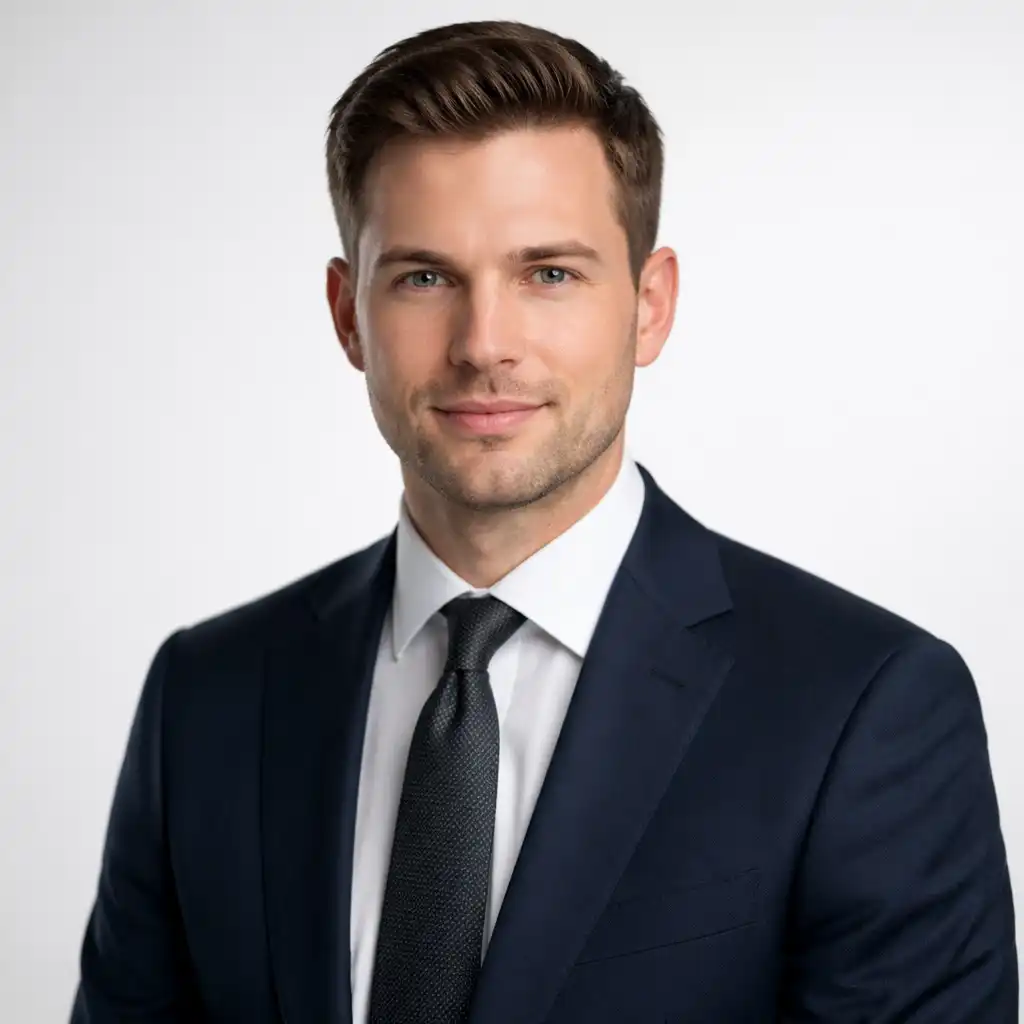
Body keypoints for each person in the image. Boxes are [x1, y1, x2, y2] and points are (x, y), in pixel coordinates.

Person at [71, 19, 1016, 1024]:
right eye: (425, 277)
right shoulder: (207, 697)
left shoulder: (860, 707)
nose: (485, 344)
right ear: (349, 313)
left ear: (649, 306)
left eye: (549, 274)